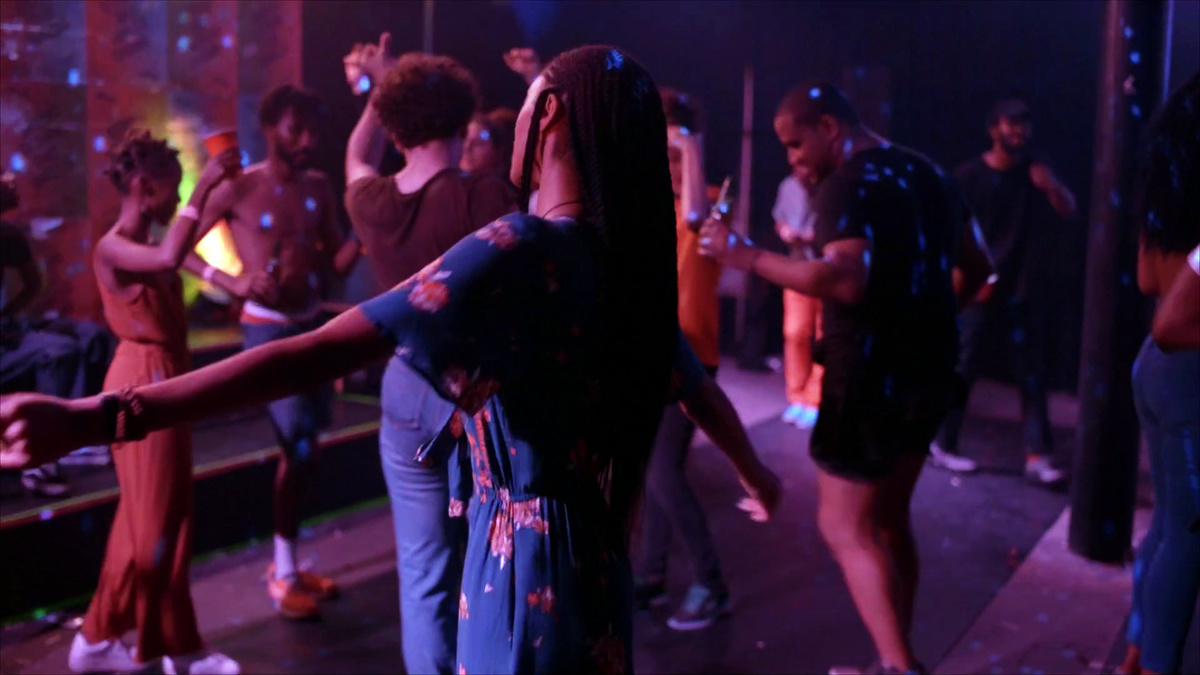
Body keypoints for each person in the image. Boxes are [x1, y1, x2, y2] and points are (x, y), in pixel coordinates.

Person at [0, 45, 780, 675]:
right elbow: (695, 384)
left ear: (544, 119)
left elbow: (315, 351)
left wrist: (104, 413)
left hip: (521, 573)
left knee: (424, 578)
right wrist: (754, 470)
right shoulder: (624, 272)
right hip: (598, 571)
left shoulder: (516, 247)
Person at [700, 82, 994, 675]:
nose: (793, 159)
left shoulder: (848, 182)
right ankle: (896, 658)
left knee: (842, 524)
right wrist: (925, 321)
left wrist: (745, 256)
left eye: (795, 143)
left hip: (867, 379)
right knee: (889, 519)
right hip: (931, 371)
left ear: (830, 127)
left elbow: (845, 280)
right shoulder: (929, 172)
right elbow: (980, 268)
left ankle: (897, 666)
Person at [341, 34, 517, 674]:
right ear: (464, 116)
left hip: (405, 386)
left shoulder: (373, 203)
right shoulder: (486, 199)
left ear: (393, 124)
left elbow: (357, 156)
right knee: (489, 559)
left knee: (423, 576)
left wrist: (376, 90)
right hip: (477, 397)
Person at [183, 85, 362, 620]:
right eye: (295, 129)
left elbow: (341, 261)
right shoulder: (241, 187)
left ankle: (288, 562)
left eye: (313, 130)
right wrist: (227, 279)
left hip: (311, 327)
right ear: (269, 129)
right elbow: (179, 246)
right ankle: (281, 572)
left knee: (308, 451)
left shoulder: (321, 186)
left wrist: (372, 225)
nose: (307, 141)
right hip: (268, 332)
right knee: (299, 447)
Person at [65, 130, 241, 675]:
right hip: (141, 380)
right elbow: (170, 254)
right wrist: (203, 190)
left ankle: (96, 641)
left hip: (162, 376)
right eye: (172, 188)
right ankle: (169, 650)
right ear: (144, 186)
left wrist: (221, 188)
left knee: (147, 518)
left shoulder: (144, 245)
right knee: (161, 521)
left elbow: (182, 246)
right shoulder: (114, 246)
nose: (175, 198)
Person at [930, 98, 1077, 484]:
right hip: (979, 283)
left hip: (1021, 288)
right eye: (1011, 124)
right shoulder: (969, 176)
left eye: (1024, 125)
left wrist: (1051, 186)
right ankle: (943, 444)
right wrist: (965, 279)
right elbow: (947, 230)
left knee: (1032, 373)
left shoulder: (1035, 170)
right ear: (994, 129)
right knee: (963, 365)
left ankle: (1037, 455)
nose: (1019, 132)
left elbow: (1069, 209)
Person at [635, 87, 734, 631]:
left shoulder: (712, 199)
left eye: (674, 155)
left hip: (692, 358)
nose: (666, 165)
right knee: (653, 474)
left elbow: (697, 214)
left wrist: (690, 146)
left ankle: (712, 585)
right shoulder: (650, 206)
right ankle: (651, 575)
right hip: (651, 353)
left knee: (663, 472)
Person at [1118, 72, 1200, 675]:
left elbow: (1149, 283)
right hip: (1191, 377)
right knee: (1188, 534)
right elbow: (1178, 323)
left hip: (1156, 370)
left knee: (1169, 526)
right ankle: (1156, 666)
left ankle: (1139, 652)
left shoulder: (1167, 187)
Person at [0, 173, 78, 497]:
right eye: (2, 175)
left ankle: (71, 442)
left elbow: (34, 284)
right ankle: (39, 458)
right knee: (56, 351)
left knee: (82, 338)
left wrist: (6, 317)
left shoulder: (8, 234)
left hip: (5, 334)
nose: (11, 179)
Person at [774, 169, 823, 429]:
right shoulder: (788, 185)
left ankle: (814, 399)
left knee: (824, 336)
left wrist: (808, 236)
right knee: (795, 333)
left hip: (826, 269)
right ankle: (796, 396)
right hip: (796, 267)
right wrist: (784, 231)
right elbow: (779, 219)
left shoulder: (832, 184)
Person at [461, 107, 519, 186]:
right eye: (464, 141)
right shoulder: (452, 188)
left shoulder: (501, 192)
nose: (467, 148)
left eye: (477, 143)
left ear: (498, 151)